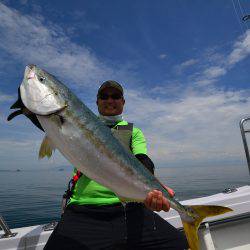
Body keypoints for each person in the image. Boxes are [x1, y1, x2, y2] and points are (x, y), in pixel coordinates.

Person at [44, 81, 189, 250]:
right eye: (104, 96)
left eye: (115, 96)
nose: (110, 100)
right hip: (83, 209)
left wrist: (154, 189)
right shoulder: (80, 123)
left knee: (178, 244)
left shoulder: (131, 131)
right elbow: (54, 123)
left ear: (123, 101)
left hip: (130, 208)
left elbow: (143, 160)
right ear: (97, 101)